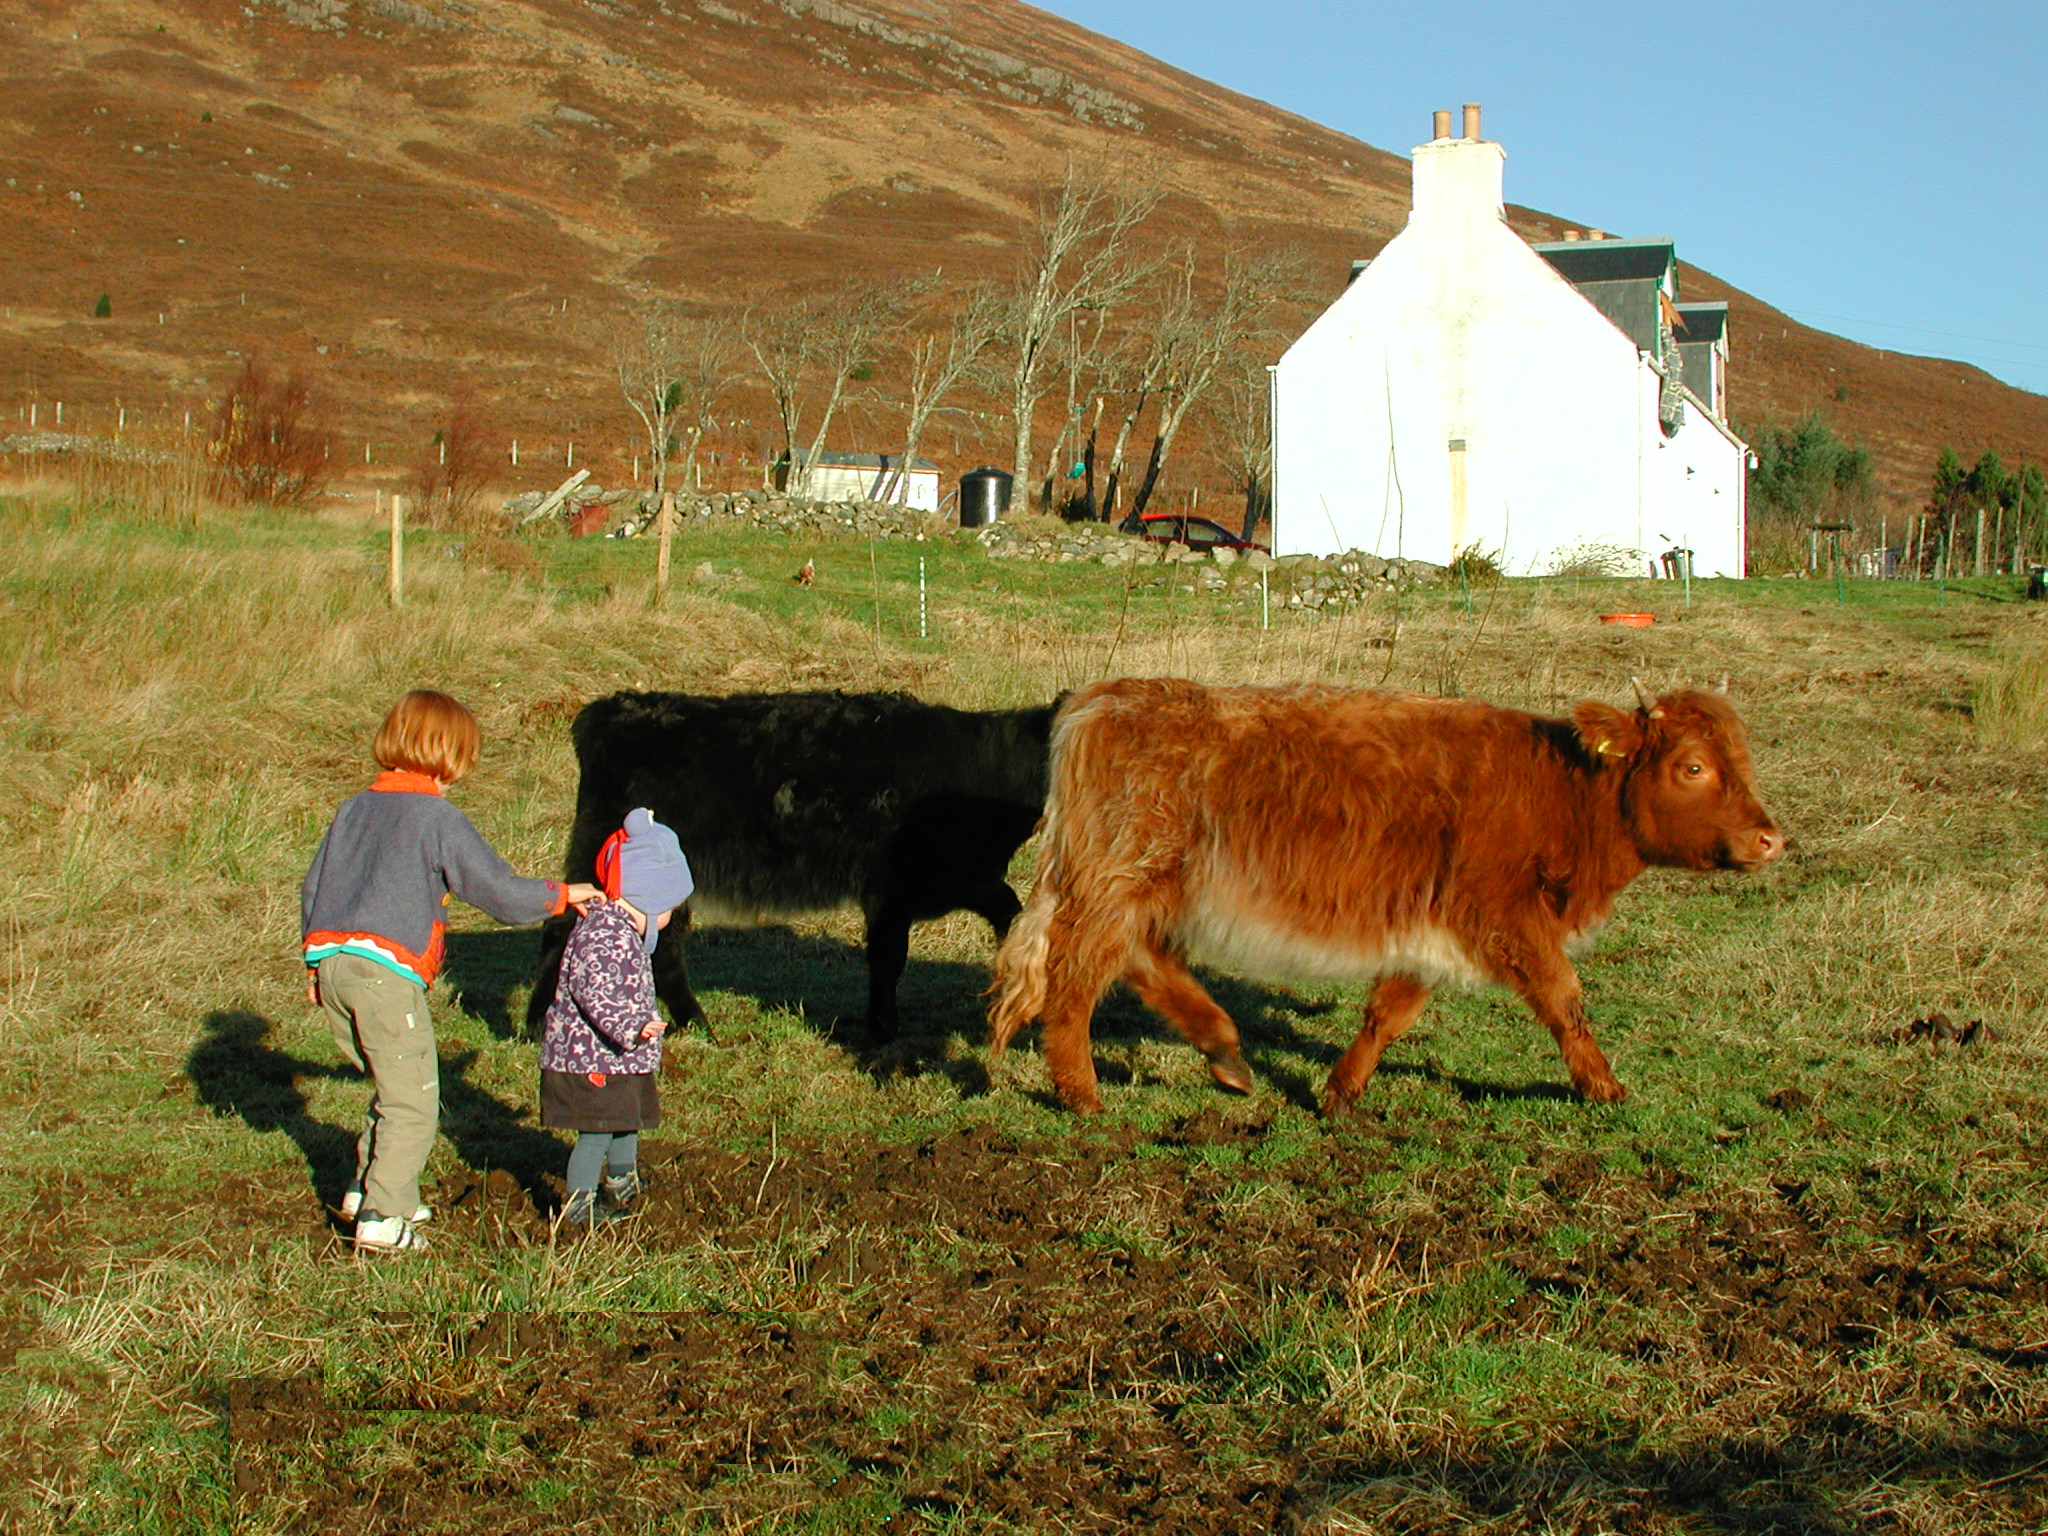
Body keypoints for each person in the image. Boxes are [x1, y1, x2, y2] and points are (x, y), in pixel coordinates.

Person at [302, 690, 600, 1256]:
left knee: (393, 1087)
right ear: (450, 754)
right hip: (384, 973)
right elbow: (494, 890)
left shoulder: (353, 809)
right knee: (415, 1098)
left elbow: (313, 888)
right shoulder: (436, 817)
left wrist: (314, 963)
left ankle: (370, 1187)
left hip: (333, 966)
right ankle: (383, 1219)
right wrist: (560, 895)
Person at [538, 807, 693, 1228]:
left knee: (628, 1119)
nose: (669, 918)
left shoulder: (623, 929)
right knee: (598, 1129)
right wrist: (632, 1027)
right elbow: (597, 993)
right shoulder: (605, 933)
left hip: (618, 1057)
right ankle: (579, 1203)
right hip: (591, 1059)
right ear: (645, 896)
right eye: (667, 908)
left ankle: (623, 1179)